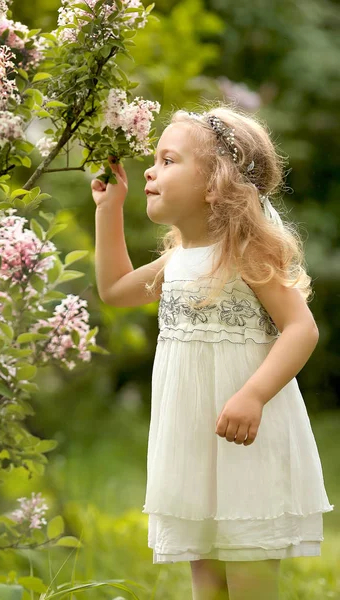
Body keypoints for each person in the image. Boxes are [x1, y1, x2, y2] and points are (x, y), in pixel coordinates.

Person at [91, 103, 334, 600]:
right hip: (193, 442)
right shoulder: (177, 258)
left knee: (249, 577)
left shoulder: (241, 251)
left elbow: (300, 328)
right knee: (207, 579)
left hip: (247, 434)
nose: (151, 172)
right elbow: (115, 289)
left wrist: (254, 395)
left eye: (168, 160)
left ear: (214, 184)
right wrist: (109, 208)